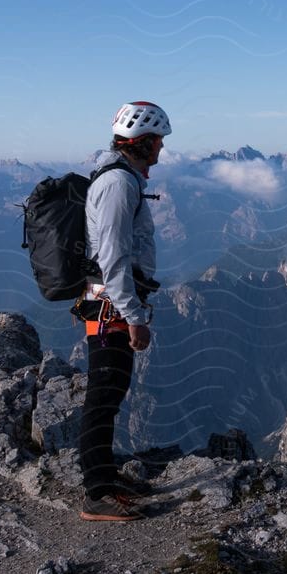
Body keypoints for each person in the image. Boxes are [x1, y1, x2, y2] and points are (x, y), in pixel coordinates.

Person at [77, 99, 170, 523]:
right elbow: (113, 255)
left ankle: (106, 475)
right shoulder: (119, 184)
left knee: (111, 392)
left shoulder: (120, 178)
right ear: (144, 141)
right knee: (104, 393)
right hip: (111, 303)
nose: (161, 151)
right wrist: (133, 316)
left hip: (111, 298)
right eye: (158, 142)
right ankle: (96, 492)